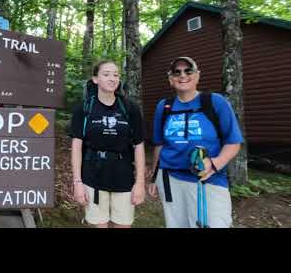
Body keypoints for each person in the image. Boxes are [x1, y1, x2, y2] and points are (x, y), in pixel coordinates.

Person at [147, 57, 243, 228]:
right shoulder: (164, 106)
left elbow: (233, 142)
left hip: (209, 180)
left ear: (197, 75)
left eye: (188, 70)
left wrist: (214, 165)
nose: (182, 75)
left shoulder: (215, 102)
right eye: (177, 72)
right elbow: (159, 144)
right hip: (171, 179)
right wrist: (154, 177)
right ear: (170, 79)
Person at [69, 60, 145, 228]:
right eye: (106, 74)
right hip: (93, 176)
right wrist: (77, 183)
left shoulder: (129, 108)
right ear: (95, 79)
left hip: (123, 175)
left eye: (116, 75)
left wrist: (140, 183)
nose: (112, 78)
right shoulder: (84, 108)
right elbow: (76, 146)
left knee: (123, 224)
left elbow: (138, 146)